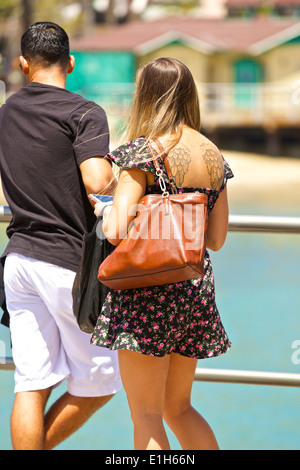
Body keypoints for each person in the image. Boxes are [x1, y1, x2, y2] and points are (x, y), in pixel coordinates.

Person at [91, 57, 234, 450]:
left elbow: (117, 232)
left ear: (146, 96)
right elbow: (217, 239)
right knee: (179, 408)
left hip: (148, 292)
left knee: (147, 414)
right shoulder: (213, 155)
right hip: (194, 286)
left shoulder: (143, 152)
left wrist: (105, 209)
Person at [0, 22, 122, 450]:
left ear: (23, 64)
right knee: (101, 382)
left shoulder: (7, 112)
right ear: (70, 63)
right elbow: (96, 181)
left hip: (18, 262)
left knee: (31, 384)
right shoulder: (85, 112)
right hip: (68, 264)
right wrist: (123, 181)